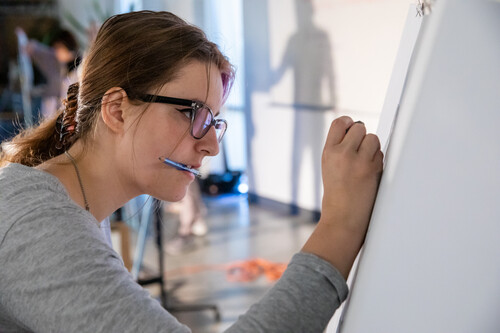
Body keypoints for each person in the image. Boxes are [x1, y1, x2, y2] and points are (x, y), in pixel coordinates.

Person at [0, 10, 383, 333]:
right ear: (116, 110)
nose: (212, 145)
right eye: (190, 113)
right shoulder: (40, 222)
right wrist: (340, 227)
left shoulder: (73, 206)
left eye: (213, 120)